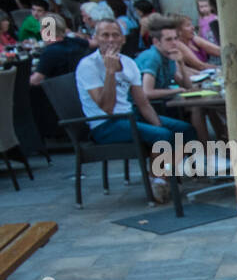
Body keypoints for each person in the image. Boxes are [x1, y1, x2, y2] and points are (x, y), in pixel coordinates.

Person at [75, 18, 197, 200]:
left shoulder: (129, 63)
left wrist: (157, 124)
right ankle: (158, 181)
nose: (110, 40)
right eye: (105, 35)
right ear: (96, 38)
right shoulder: (88, 65)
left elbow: (143, 102)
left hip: (130, 116)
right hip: (105, 124)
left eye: (115, 35)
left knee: (184, 130)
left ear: (123, 39)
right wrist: (110, 72)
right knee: (162, 137)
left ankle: (163, 174)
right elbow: (107, 107)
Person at [136, 15, 208, 141]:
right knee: (196, 109)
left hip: (161, 102)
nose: (174, 43)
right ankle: (206, 153)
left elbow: (186, 85)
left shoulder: (169, 55)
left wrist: (180, 64)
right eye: (169, 39)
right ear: (156, 42)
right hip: (144, 108)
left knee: (202, 105)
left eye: (175, 38)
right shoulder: (153, 57)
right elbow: (147, 92)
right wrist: (176, 90)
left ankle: (215, 148)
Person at [28, 15, 89, 86]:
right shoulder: (75, 41)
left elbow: (36, 80)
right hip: (81, 83)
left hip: (59, 89)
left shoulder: (50, 52)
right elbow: (94, 43)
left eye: (41, 29)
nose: (40, 31)